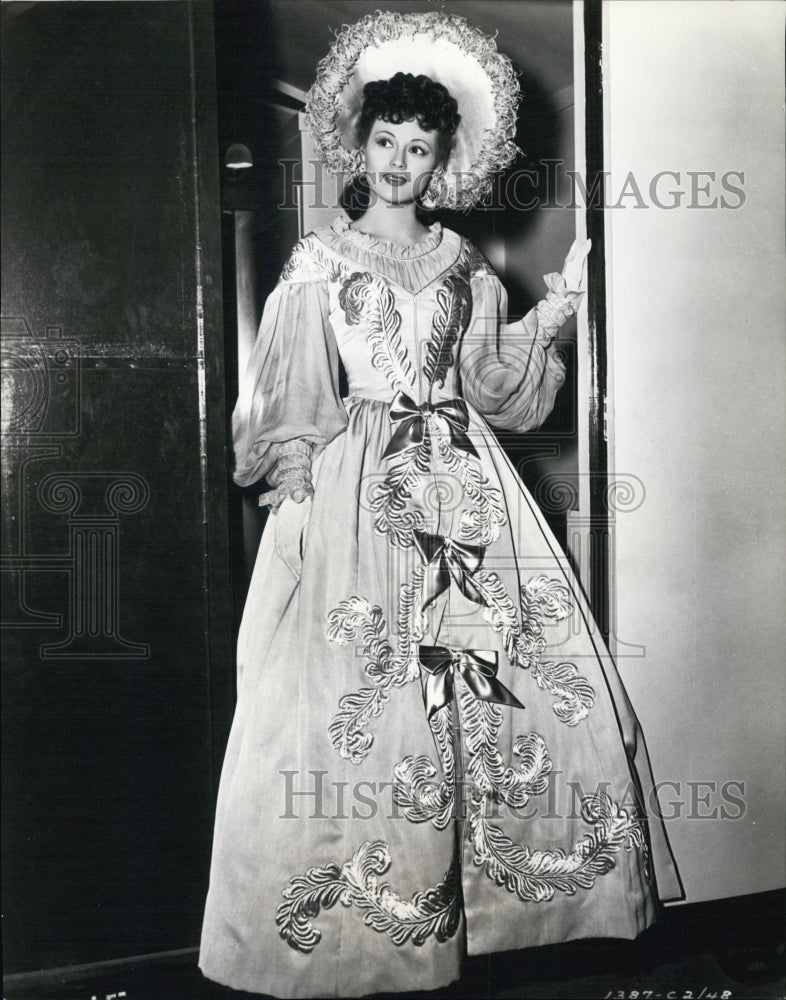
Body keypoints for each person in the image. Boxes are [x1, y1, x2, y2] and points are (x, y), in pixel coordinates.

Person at [200, 11, 680, 998]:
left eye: (421, 150)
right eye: (386, 143)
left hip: (466, 486)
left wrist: (553, 310)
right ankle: (370, 933)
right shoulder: (317, 266)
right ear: (360, 145)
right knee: (366, 700)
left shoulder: (463, 263)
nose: (400, 163)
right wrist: (294, 497)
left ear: (442, 161)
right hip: (360, 492)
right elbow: (289, 396)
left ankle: (504, 909)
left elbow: (496, 384)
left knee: (507, 687)